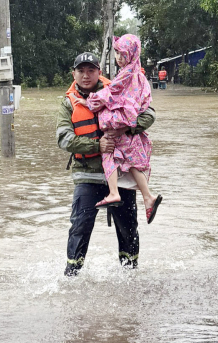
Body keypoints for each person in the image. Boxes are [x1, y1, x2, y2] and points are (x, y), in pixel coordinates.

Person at [56, 51, 156, 276]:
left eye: (91, 70)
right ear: (74, 74)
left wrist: (126, 127)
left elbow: (148, 114)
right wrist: (96, 146)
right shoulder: (69, 103)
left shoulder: (119, 89)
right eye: (81, 71)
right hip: (87, 175)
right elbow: (63, 138)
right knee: (80, 227)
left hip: (121, 174)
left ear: (99, 73)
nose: (86, 75)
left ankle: (131, 274)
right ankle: (72, 275)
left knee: (129, 228)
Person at [81, 35, 162, 223]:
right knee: (131, 162)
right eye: (116, 53)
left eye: (122, 54)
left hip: (121, 122)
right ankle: (148, 196)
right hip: (130, 125)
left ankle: (114, 192)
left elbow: (109, 94)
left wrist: (88, 101)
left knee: (108, 152)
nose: (118, 57)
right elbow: (145, 102)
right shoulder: (140, 76)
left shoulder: (125, 75)